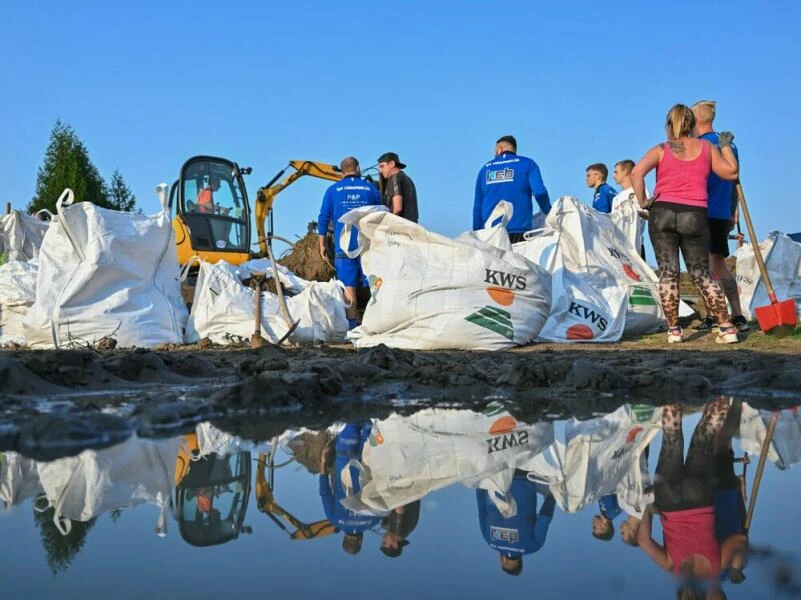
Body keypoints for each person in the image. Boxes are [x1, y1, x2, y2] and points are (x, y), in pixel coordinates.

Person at [631, 104, 740, 344]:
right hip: (695, 214)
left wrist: (645, 202)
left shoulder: (661, 149)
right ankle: (727, 327)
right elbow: (732, 173)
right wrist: (725, 146)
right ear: (692, 124)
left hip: (662, 213)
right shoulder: (707, 148)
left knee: (668, 274)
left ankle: (674, 331)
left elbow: (636, 173)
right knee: (701, 274)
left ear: (669, 125)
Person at [637, 401, 748, 587]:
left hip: (700, 498)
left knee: (705, 435)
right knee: (671, 438)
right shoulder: (672, 569)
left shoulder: (716, 569)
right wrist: (648, 509)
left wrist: (737, 563)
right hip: (669, 501)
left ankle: (721, 390)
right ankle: (672, 389)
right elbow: (643, 540)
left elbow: (739, 539)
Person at [691, 100, 749, 333]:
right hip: (723, 211)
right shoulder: (728, 145)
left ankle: (715, 315)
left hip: (704, 210)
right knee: (718, 264)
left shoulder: (701, 145)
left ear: (696, 121)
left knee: (704, 266)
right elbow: (734, 179)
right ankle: (736, 314)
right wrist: (733, 211)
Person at [317, 157, 381, 329]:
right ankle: (375, 324)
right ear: (358, 169)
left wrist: (322, 244)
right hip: (368, 247)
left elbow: (323, 218)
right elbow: (382, 216)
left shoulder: (332, 190)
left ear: (341, 171)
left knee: (348, 287)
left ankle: (352, 328)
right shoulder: (371, 189)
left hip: (344, 246)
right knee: (375, 286)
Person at [476, 470, 556, 576]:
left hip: (523, 476)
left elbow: (544, 517)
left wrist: (553, 495)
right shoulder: (489, 540)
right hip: (495, 476)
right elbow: (481, 505)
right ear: (504, 561)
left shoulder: (533, 546)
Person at [473, 135, 551, 242]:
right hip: (520, 232)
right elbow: (540, 192)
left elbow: (477, 207)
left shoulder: (484, 170)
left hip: (490, 235)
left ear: (499, 150)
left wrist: (477, 234)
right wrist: (550, 214)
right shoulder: (528, 164)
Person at [319, 422, 382, 555]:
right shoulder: (334, 519)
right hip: (344, 459)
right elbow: (325, 493)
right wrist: (323, 463)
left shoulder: (374, 520)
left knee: (373, 419)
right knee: (351, 416)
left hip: (369, 459)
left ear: (360, 541)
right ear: (344, 539)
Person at [611, 159, 650, 259]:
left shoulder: (640, 191)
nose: (613, 176)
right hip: (619, 248)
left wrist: (634, 213)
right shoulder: (616, 198)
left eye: (616, 172)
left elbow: (649, 215)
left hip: (635, 247)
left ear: (625, 172)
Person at [377, 152, 418, 223]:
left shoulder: (394, 177)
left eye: (382, 166)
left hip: (400, 228)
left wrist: (385, 223)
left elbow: (397, 208)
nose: (380, 170)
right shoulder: (408, 179)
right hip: (412, 226)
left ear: (392, 164)